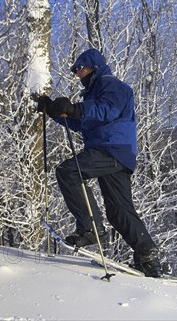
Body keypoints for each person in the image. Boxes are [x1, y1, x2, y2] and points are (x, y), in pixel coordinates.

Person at [35, 48, 162, 278]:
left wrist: (75, 109)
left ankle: (90, 229)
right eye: (74, 70)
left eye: (79, 68)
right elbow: (81, 123)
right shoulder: (93, 94)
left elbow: (107, 110)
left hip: (111, 148)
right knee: (118, 211)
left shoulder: (112, 86)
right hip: (114, 153)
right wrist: (54, 110)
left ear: (93, 66)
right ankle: (148, 257)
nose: (76, 74)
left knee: (68, 171)